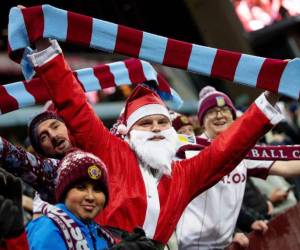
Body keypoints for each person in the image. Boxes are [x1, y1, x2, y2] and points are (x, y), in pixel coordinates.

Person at [27, 38, 283, 246]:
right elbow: (75, 105)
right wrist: (43, 46)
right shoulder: (110, 151)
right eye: (146, 124)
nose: (156, 129)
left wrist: (274, 94)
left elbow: (229, 147)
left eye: (162, 123)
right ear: (129, 131)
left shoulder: (184, 175)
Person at [176, 86, 300, 249]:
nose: (219, 115)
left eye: (225, 110)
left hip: (226, 243)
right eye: (212, 111)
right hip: (194, 246)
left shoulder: (242, 151)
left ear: (234, 118)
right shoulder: (188, 149)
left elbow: (286, 167)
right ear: (201, 120)